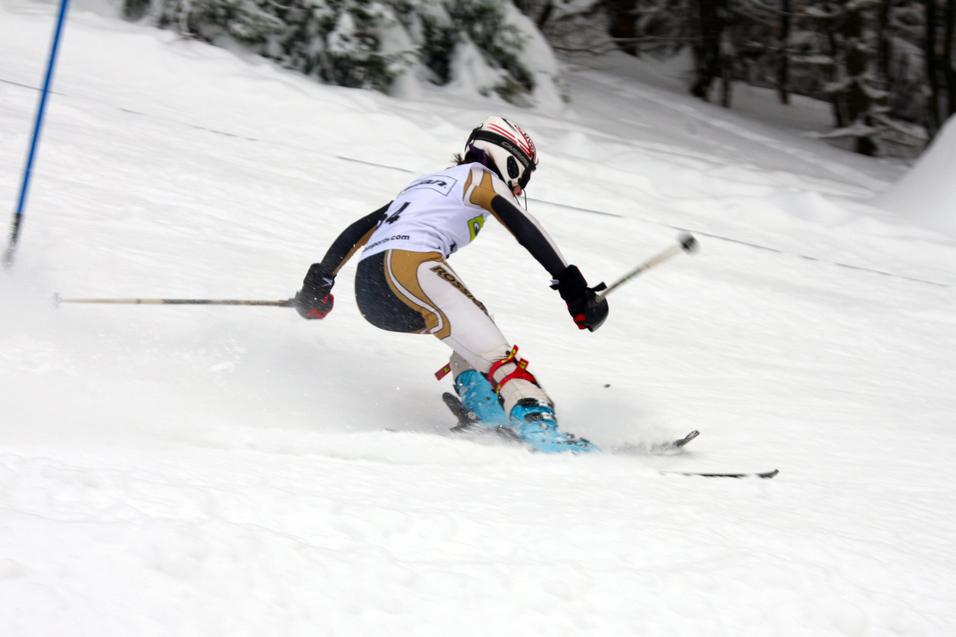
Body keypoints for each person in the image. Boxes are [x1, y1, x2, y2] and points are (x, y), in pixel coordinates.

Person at [293, 116, 609, 453]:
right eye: (523, 177)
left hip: (371, 288)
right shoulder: (482, 177)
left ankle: (486, 415)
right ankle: (542, 434)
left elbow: (358, 229)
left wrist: (319, 285)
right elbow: (525, 226)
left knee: (473, 329)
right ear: (510, 161)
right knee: (496, 354)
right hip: (409, 267)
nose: (519, 189)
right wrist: (573, 288)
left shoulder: (426, 183)